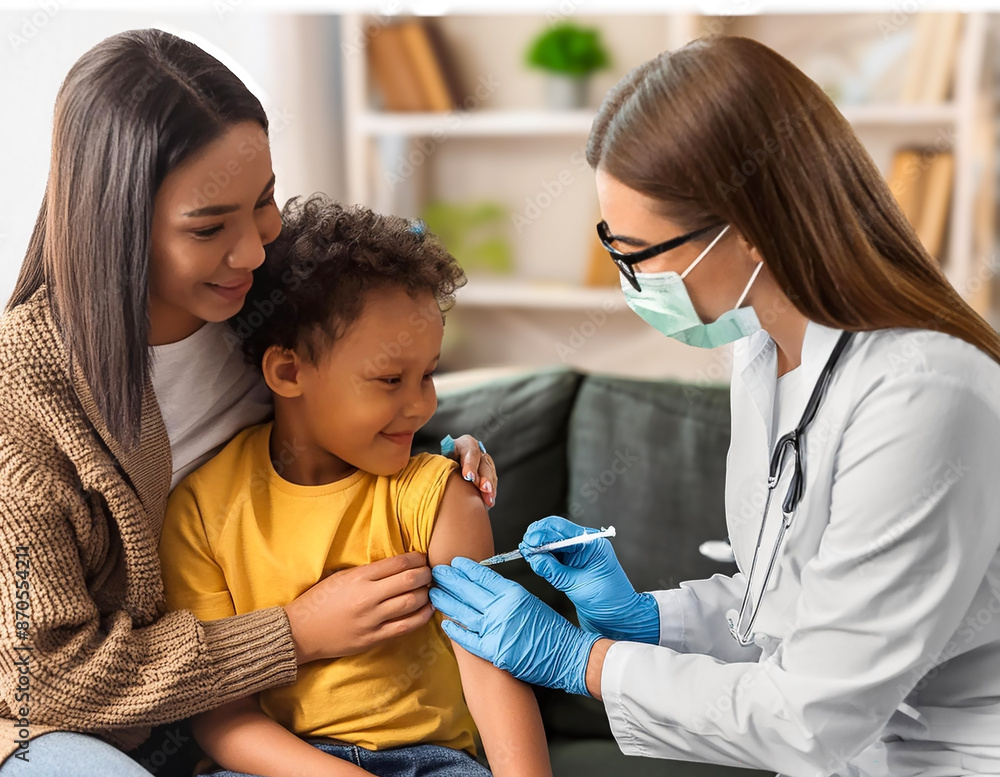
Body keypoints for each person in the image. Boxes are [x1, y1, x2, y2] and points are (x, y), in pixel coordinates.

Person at [430, 34, 1000, 777]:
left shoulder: (928, 393)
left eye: (638, 253)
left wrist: (586, 661)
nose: (631, 282)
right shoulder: (765, 350)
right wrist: (647, 620)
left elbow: (809, 715)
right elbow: (796, 603)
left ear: (752, 230)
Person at [0, 29, 495, 776]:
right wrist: (291, 633)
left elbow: (358, 390)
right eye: (209, 228)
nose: (255, 250)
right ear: (118, 225)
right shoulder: (23, 400)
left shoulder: (265, 300)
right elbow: (46, 676)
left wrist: (435, 452)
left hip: (269, 725)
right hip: (80, 735)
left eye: (263, 200)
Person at [157, 194, 551, 777]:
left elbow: (494, 665)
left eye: (428, 374)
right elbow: (222, 716)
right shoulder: (201, 511)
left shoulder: (442, 497)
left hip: (431, 764)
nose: (421, 404)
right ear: (289, 372)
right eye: (390, 378)